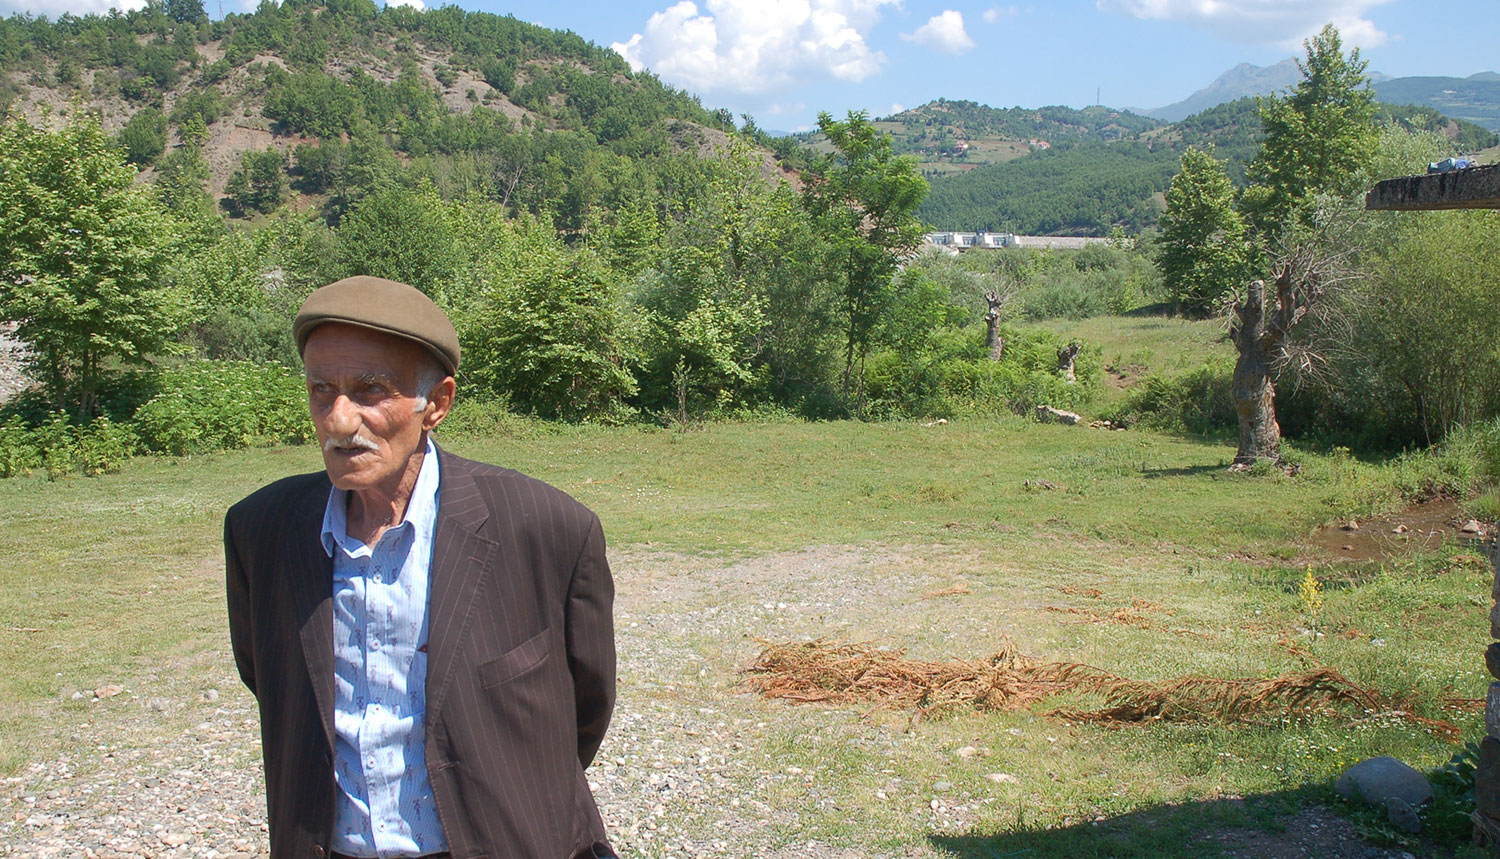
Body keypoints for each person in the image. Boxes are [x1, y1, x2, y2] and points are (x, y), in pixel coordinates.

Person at [225, 276, 616, 859]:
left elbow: (584, 707)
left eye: (369, 390)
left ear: (435, 404)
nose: (338, 420)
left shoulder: (544, 528)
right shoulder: (263, 531)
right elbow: (272, 681)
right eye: (321, 390)